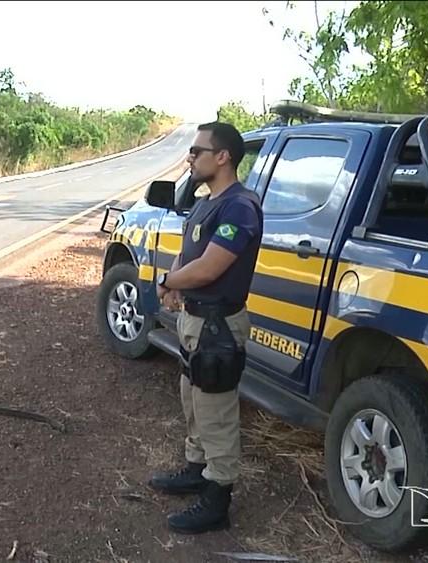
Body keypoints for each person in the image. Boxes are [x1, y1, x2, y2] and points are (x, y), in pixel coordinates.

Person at [148, 121, 263, 535]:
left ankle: (217, 501)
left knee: (216, 414)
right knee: (193, 401)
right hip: (195, 320)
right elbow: (189, 255)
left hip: (219, 326)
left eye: (197, 151)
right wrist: (174, 284)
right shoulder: (204, 204)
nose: (190, 157)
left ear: (223, 156)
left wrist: (167, 283)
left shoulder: (239, 207)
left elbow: (213, 267)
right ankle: (197, 470)